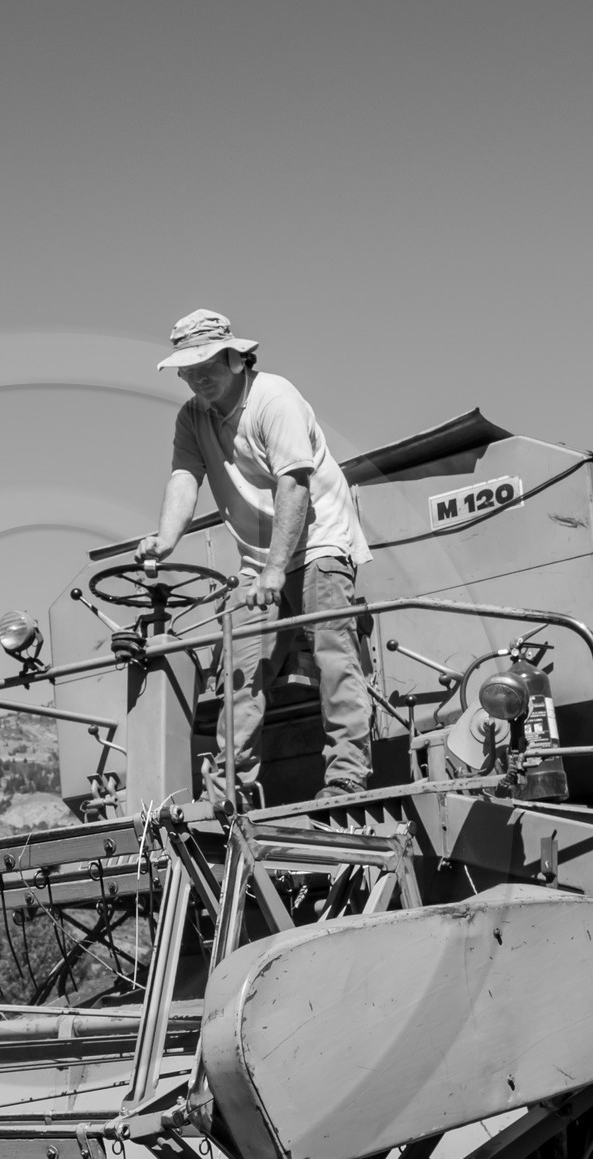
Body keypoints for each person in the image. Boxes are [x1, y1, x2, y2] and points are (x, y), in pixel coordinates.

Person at [135, 309, 372, 804]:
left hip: (318, 540)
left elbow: (295, 484)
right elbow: (185, 477)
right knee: (239, 673)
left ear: (236, 358)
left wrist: (275, 569)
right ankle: (229, 790)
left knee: (333, 651)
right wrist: (165, 538)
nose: (198, 376)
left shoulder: (275, 399)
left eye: (207, 364)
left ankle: (347, 774)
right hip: (258, 562)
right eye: (188, 367)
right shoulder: (192, 417)